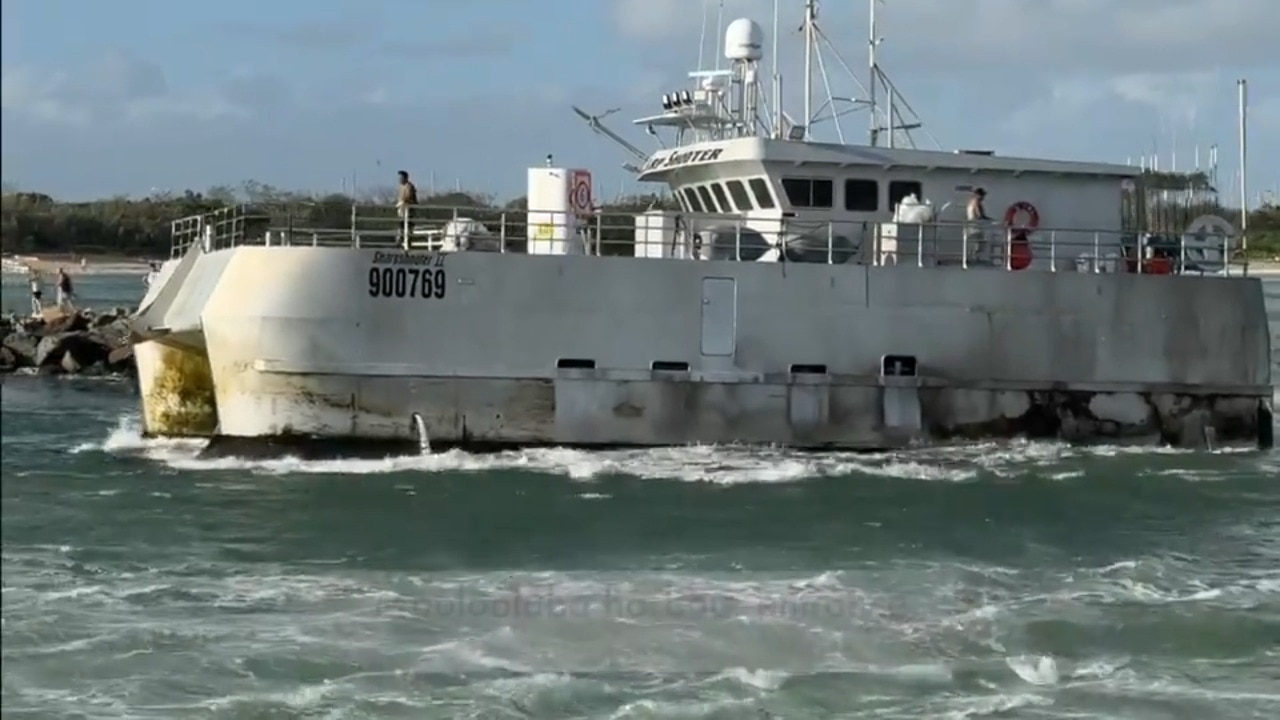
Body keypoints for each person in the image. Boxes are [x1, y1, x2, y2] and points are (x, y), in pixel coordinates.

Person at [964, 187, 991, 260]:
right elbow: (979, 215)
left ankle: (971, 258)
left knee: (975, 244)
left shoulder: (971, 202)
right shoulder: (976, 202)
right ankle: (975, 258)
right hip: (976, 226)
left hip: (971, 226)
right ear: (978, 195)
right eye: (982, 195)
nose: (983, 197)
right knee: (981, 243)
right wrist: (989, 220)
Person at [396, 170, 419, 241]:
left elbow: (408, 197)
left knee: (408, 227)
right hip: (402, 212)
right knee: (401, 226)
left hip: (409, 211)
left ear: (405, 178)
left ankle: (407, 241)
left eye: (401, 177)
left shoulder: (409, 186)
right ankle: (400, 240)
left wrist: (403, 201)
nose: (399, 179)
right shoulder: (401, 187)